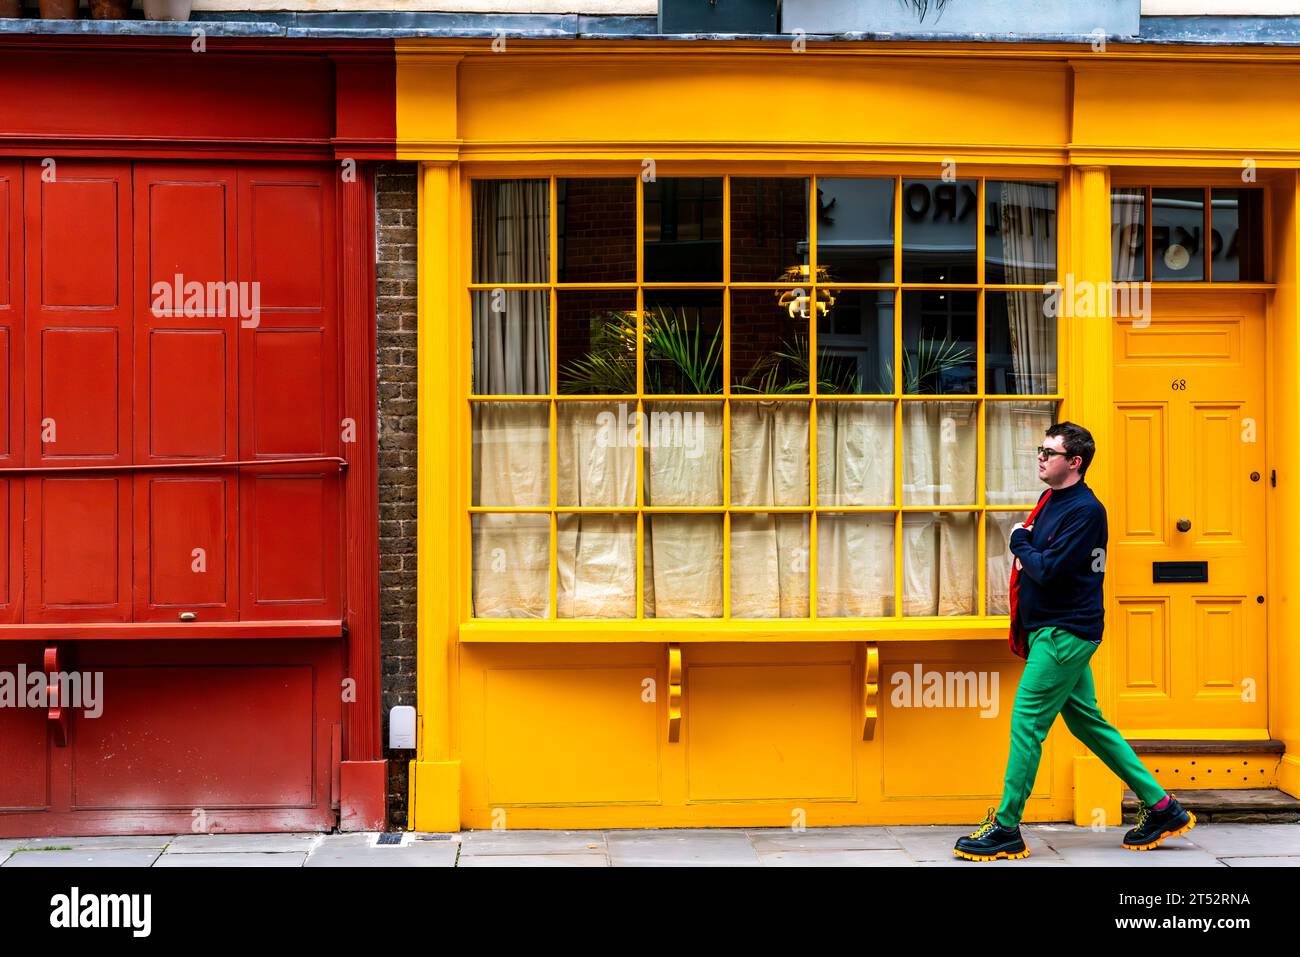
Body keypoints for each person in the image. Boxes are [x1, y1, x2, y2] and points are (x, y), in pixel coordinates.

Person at [953, 421, 1195, 862]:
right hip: (1056, 629)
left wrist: (1019, 544)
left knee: (1027, 725)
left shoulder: (1085, 510)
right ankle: (1163, 807)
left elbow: (1048, 569)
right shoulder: (1052, 499)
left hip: (1064, 633)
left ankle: (1006, 828)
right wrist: (1030, 551)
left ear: (1074, 461)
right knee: (1088, 724)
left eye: (1049, 452)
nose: (1041, 458)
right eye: (1040, 451)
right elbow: (1043, 563)